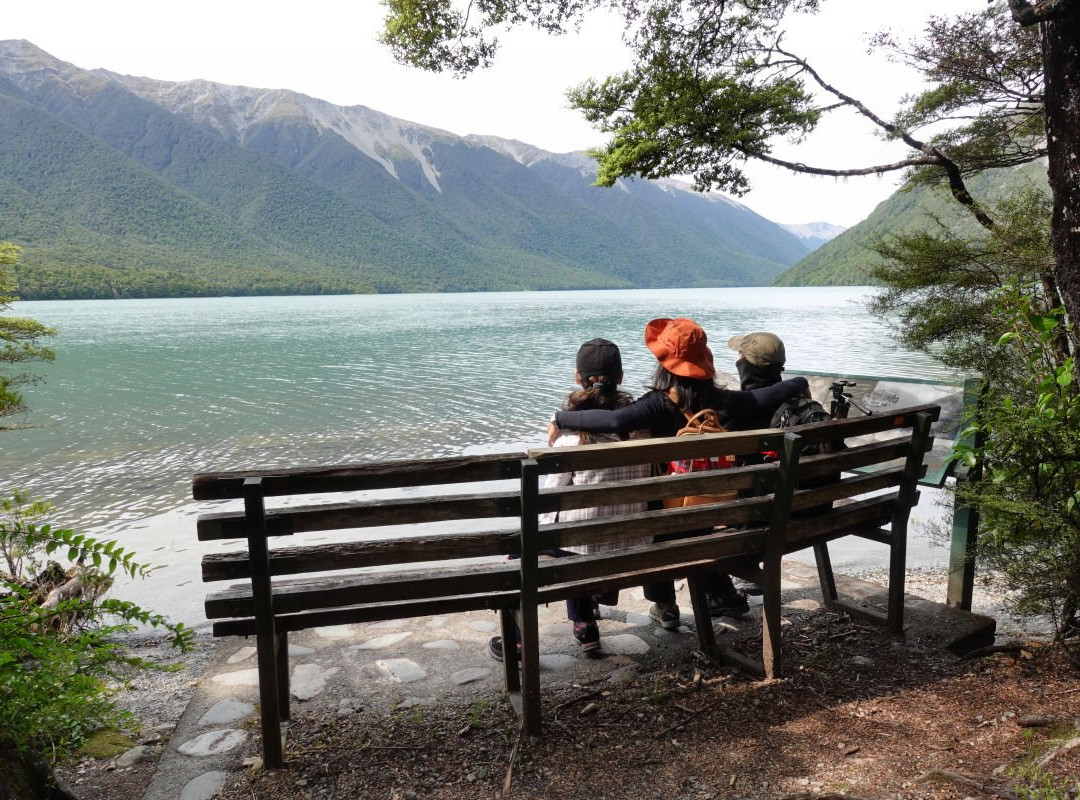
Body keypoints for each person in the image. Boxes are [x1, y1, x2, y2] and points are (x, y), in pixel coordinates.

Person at [546, 318, 809, 628]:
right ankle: (683, 600)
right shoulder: (725, 400)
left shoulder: (657, 404)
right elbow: (773, 392)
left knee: (648, 504)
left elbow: (615, 421)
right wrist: (799, 381)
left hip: (665, 525)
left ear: (664, 363)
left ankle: (655, 603)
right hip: (710, 515)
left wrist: (561, 417)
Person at [488, 338, 651, 661]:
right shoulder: (643, 427)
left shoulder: (570, 436)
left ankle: (517, 641)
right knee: (580, 535)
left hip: (585, 545)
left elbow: (549, 499)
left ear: (578, 377)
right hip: (636, 542)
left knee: (538, 543)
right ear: (620, 377)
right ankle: (585, 625)